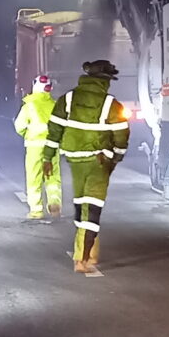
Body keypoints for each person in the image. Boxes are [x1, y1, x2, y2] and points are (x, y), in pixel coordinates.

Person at [48, 58, 129, 275]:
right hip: (98, 162)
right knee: (92, 209)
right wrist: (117, 157)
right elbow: (121, 135)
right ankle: (82, 259)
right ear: (104, 80)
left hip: (74, 160)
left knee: (81, 205)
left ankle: (86, 254)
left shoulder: (67, 99)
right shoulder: (111, 104)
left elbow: (54, 131)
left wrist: (47, 158)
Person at [14, 73, 61, 220]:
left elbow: (19, 126)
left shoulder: (29, 105)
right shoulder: (54, 105)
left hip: (34, 146)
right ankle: (54, 203)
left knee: (34, 178)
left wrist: (28, 135)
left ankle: (36, 210)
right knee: (52, 177)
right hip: (52, 147)